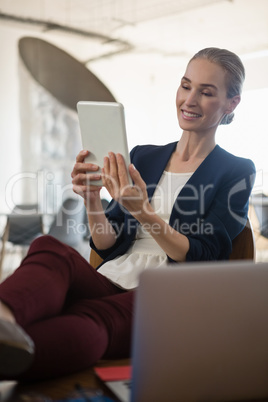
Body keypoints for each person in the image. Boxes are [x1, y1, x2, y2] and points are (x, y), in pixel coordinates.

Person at [0, 47, 255, 380]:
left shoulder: (236, 170)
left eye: (206, 92)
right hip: (111, 278)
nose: (189, 100)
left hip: (165, 297)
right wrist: (93, 199)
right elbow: (107, 246)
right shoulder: (144, 156)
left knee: (91, 320)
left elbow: (203, 255)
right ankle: (3, 323)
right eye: (185, 85)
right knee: (50, 249)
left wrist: (144, 211)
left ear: (231, 103)